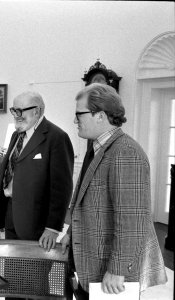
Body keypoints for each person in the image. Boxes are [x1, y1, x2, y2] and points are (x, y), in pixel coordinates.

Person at [61, 83, 167, 298]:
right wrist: (71, 234)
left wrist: (118, 269)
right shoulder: (97, 147)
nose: (75, 120)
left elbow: (133, 220)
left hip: (111, 275)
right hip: (91, 265)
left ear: (100, 115)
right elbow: (87, 201)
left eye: (78, 114)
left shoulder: (125, 152)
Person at [0, 91, 74, 250]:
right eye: (14, 110)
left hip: (37, 223)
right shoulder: (17, 135)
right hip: (12, 215)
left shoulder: (56, 137)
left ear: (36, 111)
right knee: (12, 270)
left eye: (20, 111)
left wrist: (52, 228)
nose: (16, 115)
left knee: (34, 273)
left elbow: (62, 188)